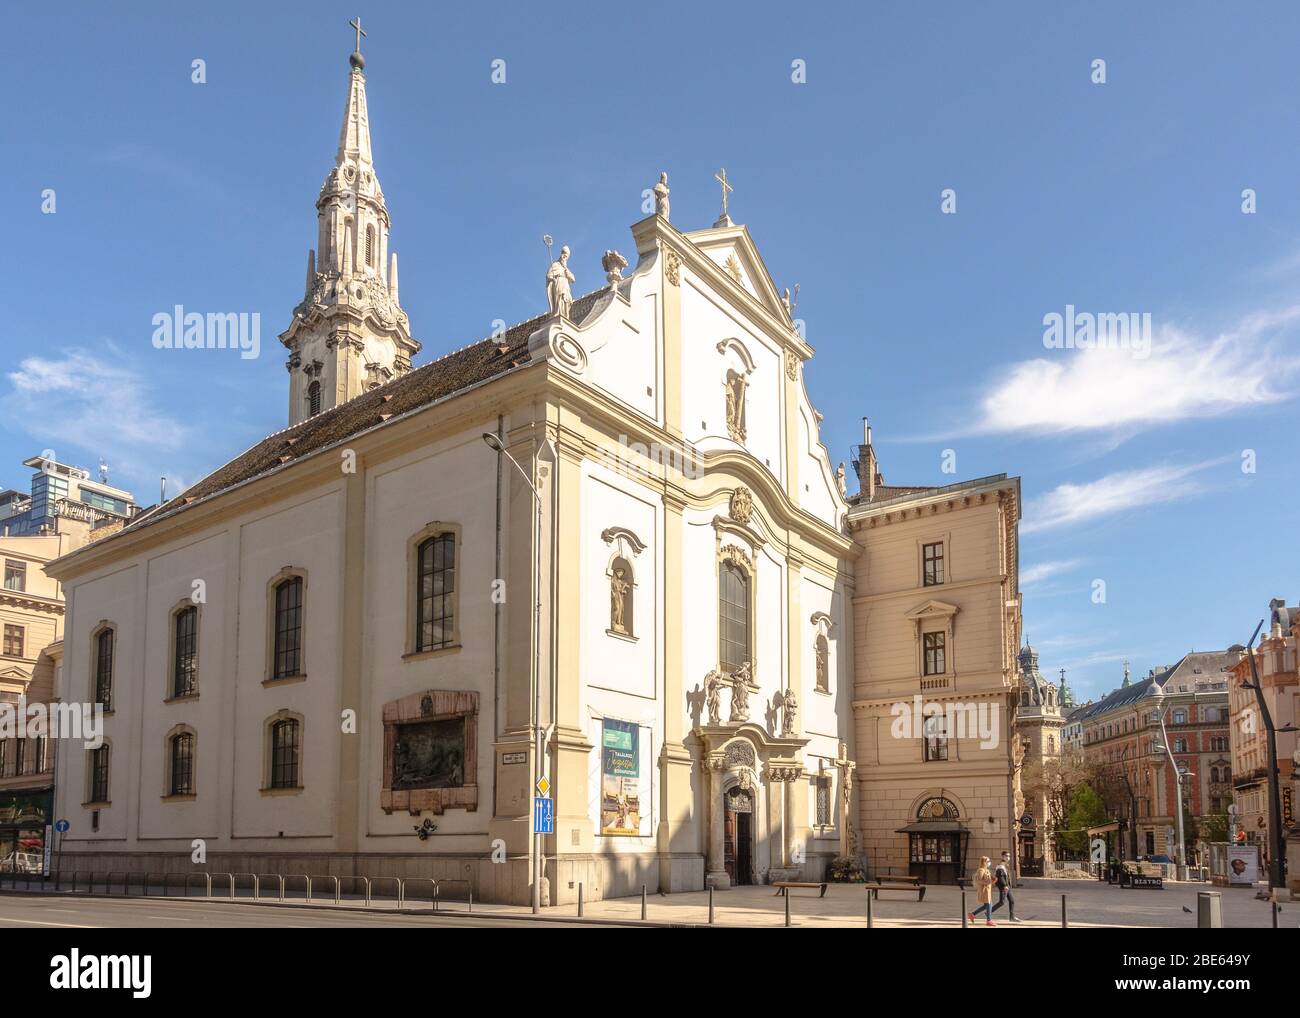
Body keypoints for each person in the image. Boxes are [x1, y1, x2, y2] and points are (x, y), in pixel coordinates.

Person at [990, 851, 1023, 923]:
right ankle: (989, 913)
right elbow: (1000, 877)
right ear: (1002, 856)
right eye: (1006, 856)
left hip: (1006, 887)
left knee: (1012, 901)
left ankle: (1012, 917)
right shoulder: (1000, 866)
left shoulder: (1004, 865)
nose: (1008, 857)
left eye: (1009, 856)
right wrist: (1005, 885)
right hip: (1003, 887)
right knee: (1001, 902)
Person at [969, 856, 996, 926]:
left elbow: (987, 879)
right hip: (984, 890)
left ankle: (972, 914)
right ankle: (989, 920)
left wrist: (992, 880)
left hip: (988, 890)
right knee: (989, 905)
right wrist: (988, 882)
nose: (989, 862)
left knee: (987, 905)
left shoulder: (986, 870)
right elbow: (979, 880)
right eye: (987, 861)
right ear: (984, 862)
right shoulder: (981, 870)